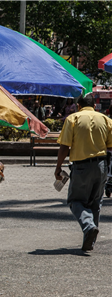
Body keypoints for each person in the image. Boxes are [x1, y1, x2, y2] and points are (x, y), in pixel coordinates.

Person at [54, 94, 112, 252]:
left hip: (81, 166)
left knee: (75, 200)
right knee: (95, 203)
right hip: (101, 165)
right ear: (94, 106)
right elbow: (111, 147)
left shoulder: (73, 119)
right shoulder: (106, 120)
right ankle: (90, 240)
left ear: (78, 106)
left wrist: (58, 167)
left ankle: (89, 227)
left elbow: (64, 146)